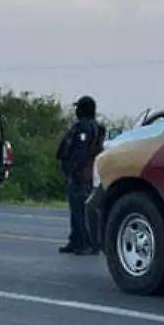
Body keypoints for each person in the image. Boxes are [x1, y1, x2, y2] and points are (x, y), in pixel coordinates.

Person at [56, 96, 107, 255]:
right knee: (76, 209)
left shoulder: (85, 127)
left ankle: (88, 243)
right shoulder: (89, 126)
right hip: (81, 173)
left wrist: (73, 169)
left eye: (78, 107)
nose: (76, 110)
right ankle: (76, 240)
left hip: (81, 174)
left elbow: (81, 151)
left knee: (82, 210)